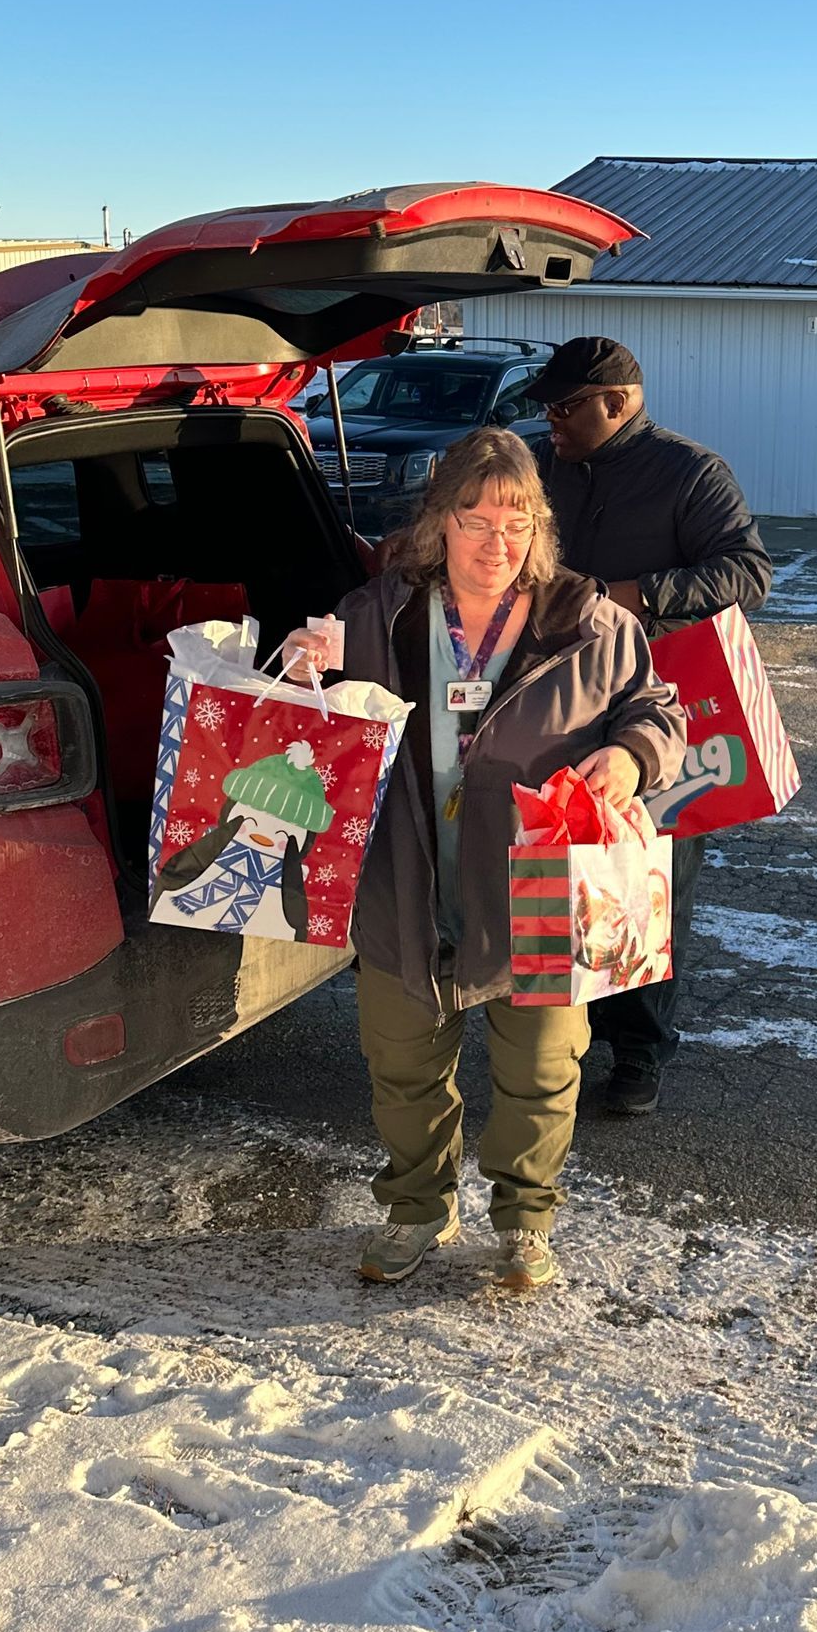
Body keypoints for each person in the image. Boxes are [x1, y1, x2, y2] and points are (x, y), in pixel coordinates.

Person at [282, 426, 683, 1293]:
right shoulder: (374, 612)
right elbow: (309, 720)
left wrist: (632, 756)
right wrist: (302, 670)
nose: (498, 543)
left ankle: (524, 1220)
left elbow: (659, 710)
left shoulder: (592, 622)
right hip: (406, 882)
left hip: (539, 882)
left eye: (518, 523)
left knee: (542, 1068)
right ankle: (419, 1208)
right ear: (441, 524)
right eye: (477, 520)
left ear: (540, 529)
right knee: (402, 1062)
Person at [530, 335, 772, 1118]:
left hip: (653, 713)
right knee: (553, 869)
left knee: (645, 884)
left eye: (564, 406)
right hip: (552, 706)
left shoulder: (690, 472)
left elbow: (747, 572)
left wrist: (628, 594)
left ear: (619, 401)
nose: (550, 419)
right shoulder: (539, 465)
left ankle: (638, 1050)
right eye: (546, 404)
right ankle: (553, 1035)